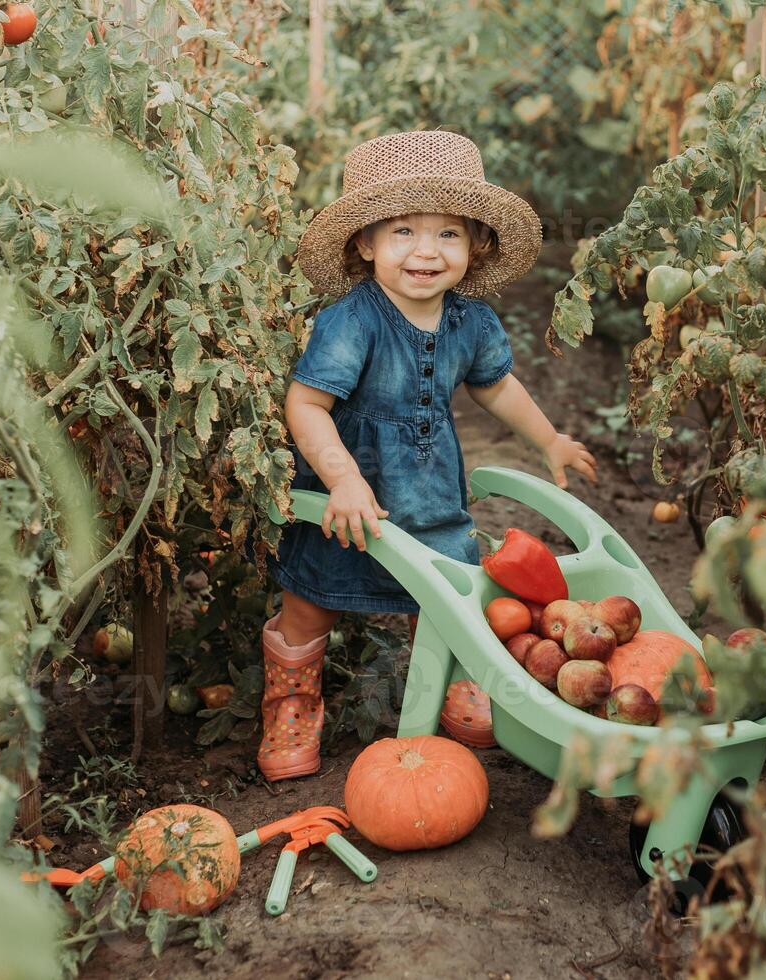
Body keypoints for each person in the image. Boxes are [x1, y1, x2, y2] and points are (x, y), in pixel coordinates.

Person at [258, 130, 598, 781]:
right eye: (403, 232)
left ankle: (453, 677)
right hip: (348, 498)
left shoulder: (471, 323)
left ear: (475, 244)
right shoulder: (352, 321)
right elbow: (305, 405)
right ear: (366, 243)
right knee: (311, 601)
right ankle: (292, 703)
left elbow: (496, 386)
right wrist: (342, 480)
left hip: (431, 493)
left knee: (449, 595)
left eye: (448, 234)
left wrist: (550, 439)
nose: (426, 251)